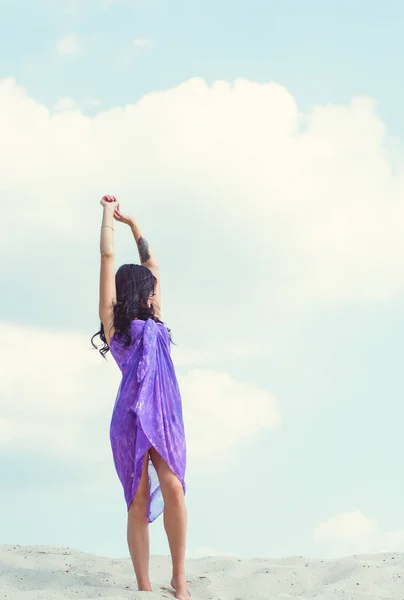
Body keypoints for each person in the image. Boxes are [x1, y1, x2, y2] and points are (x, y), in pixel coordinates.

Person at [91, 195, 190, 599]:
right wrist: (107, 219)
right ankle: (144, 587)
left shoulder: (157, 322)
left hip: (163, 416)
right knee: (137, 499)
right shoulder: (116, 324)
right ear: (138, 293)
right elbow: (106, 257)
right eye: (149, 291)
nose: (155, 294)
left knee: (173, 486)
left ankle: (179, 579)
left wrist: (135, 225)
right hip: (130, 419)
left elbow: (153, 265)